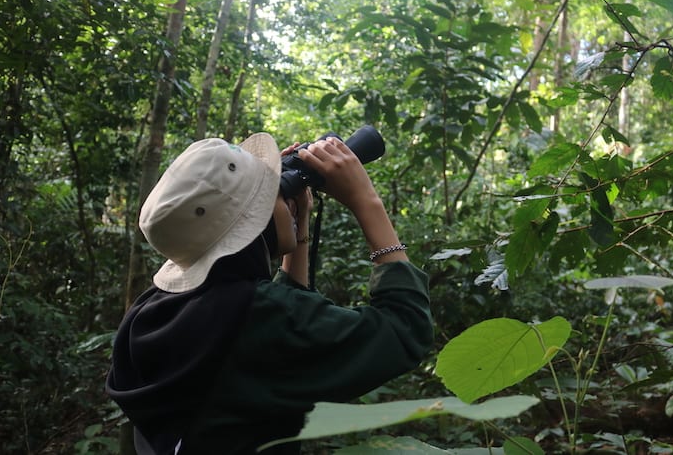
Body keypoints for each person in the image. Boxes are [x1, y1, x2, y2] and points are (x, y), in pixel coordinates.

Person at [106, 132, 434, 454]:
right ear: (252, 224)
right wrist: (366, 200)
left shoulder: (152, 310)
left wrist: (298, 218)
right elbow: (405, 327)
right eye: (276, 197)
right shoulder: (260, 316)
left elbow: (270, 328)